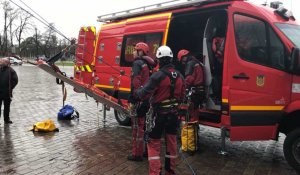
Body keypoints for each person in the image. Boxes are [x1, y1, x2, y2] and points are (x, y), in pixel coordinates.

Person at [135, 46, 185, 175]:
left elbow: (143, 94)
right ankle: (170, 170)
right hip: (174, 115)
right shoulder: (179, 75)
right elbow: (183, 96)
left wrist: (138, 90)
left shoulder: (158, 76)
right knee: (172, 142)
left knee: (153, 143)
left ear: (159, 60)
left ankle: (155, 172)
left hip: (159, 115)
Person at [127, 42, 156, 161]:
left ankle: (136, 154)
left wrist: (135, 97)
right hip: (147, 100)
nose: (133, 52)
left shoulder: (137, 63)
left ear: (140, 52)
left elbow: (136, 82)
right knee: (144, 126)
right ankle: (145, 151)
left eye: (135, 50)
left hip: (139, 100)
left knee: (136, 128)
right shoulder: (148, 65)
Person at [177, 49, 204, 122]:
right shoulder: (197, 62)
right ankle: (194, 129)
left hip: (195, 92)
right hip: (200, 91)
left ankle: (189, 129)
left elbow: (189, 79)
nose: (183, 63)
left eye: (182, 61)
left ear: (183, 57)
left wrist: (182, 88)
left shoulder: (190, 63)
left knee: (190, 113)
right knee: (195, 111)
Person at [0, 58, 18, 124]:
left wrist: (10, 87)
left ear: (6, 62)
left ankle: (6, 119)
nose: (0, 62)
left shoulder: (11, 70)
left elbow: (15, 80)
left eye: (1, 61)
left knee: (7, 107)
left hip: (7, 92)